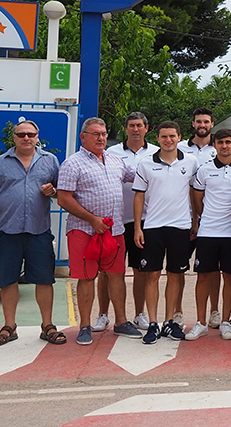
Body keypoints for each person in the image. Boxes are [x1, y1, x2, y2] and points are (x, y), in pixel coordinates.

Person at [57, 117, 142, 345]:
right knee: (86, 277)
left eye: (103, 134)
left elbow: (139, 176)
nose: (101, 138)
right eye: (96, 134)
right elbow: (63, 198)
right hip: (84, 230)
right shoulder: (72, 164)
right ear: (83, 137)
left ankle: (121, 321)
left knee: (117, 275)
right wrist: (92, 219)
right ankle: (85, 326)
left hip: (114, 230)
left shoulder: (115, 160)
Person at [0, 120, 63, 347]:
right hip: (7, 232)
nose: (26, 138)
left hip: (39, 231)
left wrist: (53, 191)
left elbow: (62, 193)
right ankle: (9, 326)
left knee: (44, 279)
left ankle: (47, 326)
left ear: (37, 137)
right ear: (14, 137)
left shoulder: (50, 161)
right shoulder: (0, 163)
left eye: (31, 134)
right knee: (8, 280)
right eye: (21, 134)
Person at [132, 121, 199, 344]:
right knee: (152, 275)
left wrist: (195, 221)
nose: (168, 140)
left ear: (179, 137)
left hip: (181, 226)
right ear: (157, 138)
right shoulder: (145, 164)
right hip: (153, 227)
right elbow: (139, 196)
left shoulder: (191, 162)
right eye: (164, 136)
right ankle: (153, 323)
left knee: (175, 275)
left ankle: (170, 321)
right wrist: (138, 228)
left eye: (172, 136)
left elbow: (194, 193)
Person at [190, 129, 231, 340]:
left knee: (230, 278)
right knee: (203, 277)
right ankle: (200, 322)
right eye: (220, 142)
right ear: (215, 145)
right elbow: (197, 200)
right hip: (208, 232)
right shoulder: (204, 170)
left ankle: (226, 322)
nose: (224, 146)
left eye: (228, 142)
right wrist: (206, 217)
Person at [104, 111, 155, 331]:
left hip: (143, 220)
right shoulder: (111, 153)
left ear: (146, 128)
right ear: (126, 129)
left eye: (139, 125)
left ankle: (140, 313)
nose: (135, 129)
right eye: (131, 125)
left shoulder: (156, 153)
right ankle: (103, 314)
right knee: (108, 271)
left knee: (140, 270)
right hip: (115, 219)